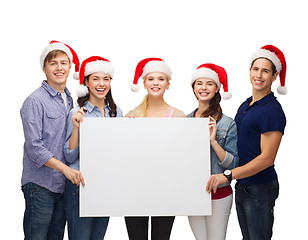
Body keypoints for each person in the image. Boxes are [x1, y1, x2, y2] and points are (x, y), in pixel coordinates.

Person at [206, 45, 287, 239]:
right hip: (243, 184)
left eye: (266, 71)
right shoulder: (246, 104)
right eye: (256, 69)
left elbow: (266, 159)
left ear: (274, 76)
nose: (259, 75)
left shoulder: (272, 110)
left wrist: (228, 175)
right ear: (249, 71)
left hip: (259, 186)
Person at [20, 40, 83, 240]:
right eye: (53, 63)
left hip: (62, 186)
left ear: (70, 67)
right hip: (40, 185)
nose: (59, 68)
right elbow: (34, 148)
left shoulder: (70, 99)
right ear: (44, 68)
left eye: (64, 63)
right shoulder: (35, 101)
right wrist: (65, 169)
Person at [125, 58, 186, 240]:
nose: (155, 83)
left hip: (166, 190)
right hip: (135, 190)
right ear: (144, 83)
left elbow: (182, 156)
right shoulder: (131, 116)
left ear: (168, 84)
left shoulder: (179, 116)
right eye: (151, 79)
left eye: (161, 79)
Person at [63, 56, 123, 239]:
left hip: (104, 185)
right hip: (80, 185)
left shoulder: (116, 113)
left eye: (106, 79)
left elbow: (119, 151)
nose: (101, 84)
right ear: (86, 82)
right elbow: (70, 156)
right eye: (96, 79)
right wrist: (76, 127)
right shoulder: (78, 112)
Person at [187, 63, 239, 240]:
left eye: (209, 83)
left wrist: (213, 141)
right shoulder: (185, 121)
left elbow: (233, 164)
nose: (203, 87)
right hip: (193, 193)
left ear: (217, 88)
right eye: (199, 83)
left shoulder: (227, 123)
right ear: (193, 88)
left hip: (219, 195)